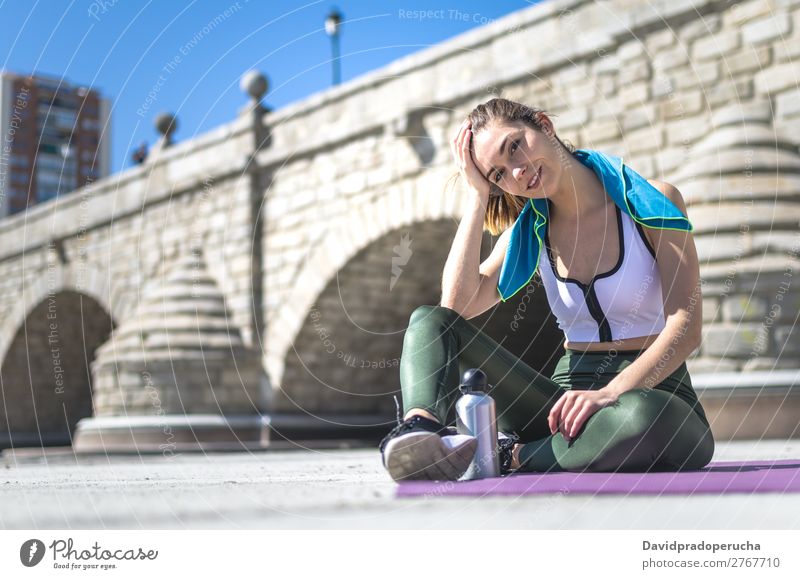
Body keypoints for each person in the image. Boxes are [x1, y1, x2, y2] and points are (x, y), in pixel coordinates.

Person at [379, 97, 715, 482]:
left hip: (655, 393)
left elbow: (686, 327)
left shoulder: (651, 201)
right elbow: (454, 309)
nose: (518, 172)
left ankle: (511, 454)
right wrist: (477, 195)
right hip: (560, 405)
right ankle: (421, 431)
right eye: (499, 175)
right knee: (428, 319)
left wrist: (610, 393)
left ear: (543, 125)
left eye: (515, 146)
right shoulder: (528, 231)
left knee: (640, 415)